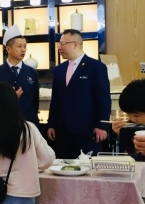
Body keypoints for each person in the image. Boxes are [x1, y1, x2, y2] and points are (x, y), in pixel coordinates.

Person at [47, 29, 111, 158]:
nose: (59, 47)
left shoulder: (96, 67)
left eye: (62, 44)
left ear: (75, 44)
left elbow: (103, 99)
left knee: (87, 167)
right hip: (62, 132)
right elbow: (55, 100)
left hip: (87, 130)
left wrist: (102, 125)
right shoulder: (59, 69)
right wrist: (51, 124)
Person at [0, 25, 40, 127]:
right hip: (4, 124)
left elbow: (35, 102)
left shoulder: (32, 72)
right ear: (8, 49)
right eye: (19, 46)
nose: (23, 50)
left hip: (28, 124)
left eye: (25, 46)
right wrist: (9, 98)